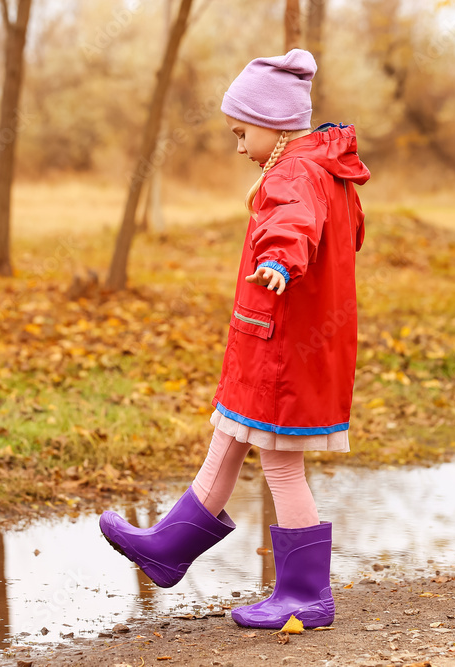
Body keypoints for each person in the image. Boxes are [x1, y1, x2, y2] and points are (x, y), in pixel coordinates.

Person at [99, 48, 370, 630]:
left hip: (285, 347)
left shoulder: (295, 172)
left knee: (280, 463)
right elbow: (346, 234)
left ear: (272, 125)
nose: (236, 144)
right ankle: (168, 548)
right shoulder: (329, 170)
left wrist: (279, 259)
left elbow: (292, 224)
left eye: (239, 131)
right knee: (230, 433)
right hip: (277, 339)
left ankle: (303, 594)